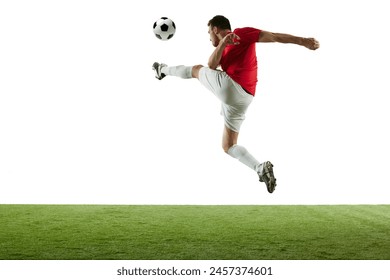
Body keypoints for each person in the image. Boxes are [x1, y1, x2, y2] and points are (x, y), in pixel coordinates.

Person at [152, 15, 319, 193]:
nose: (209, 37)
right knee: (228, 145)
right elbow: (212, 64)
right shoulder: (222, 50)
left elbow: (274, 36)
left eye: (209, 32)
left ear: (215, 29)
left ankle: (161, 70)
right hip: (244, 98)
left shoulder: (241, 34)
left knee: (195, 70)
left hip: (232, 87)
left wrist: (303, 41)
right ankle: (260, 168)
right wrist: (223, 43)